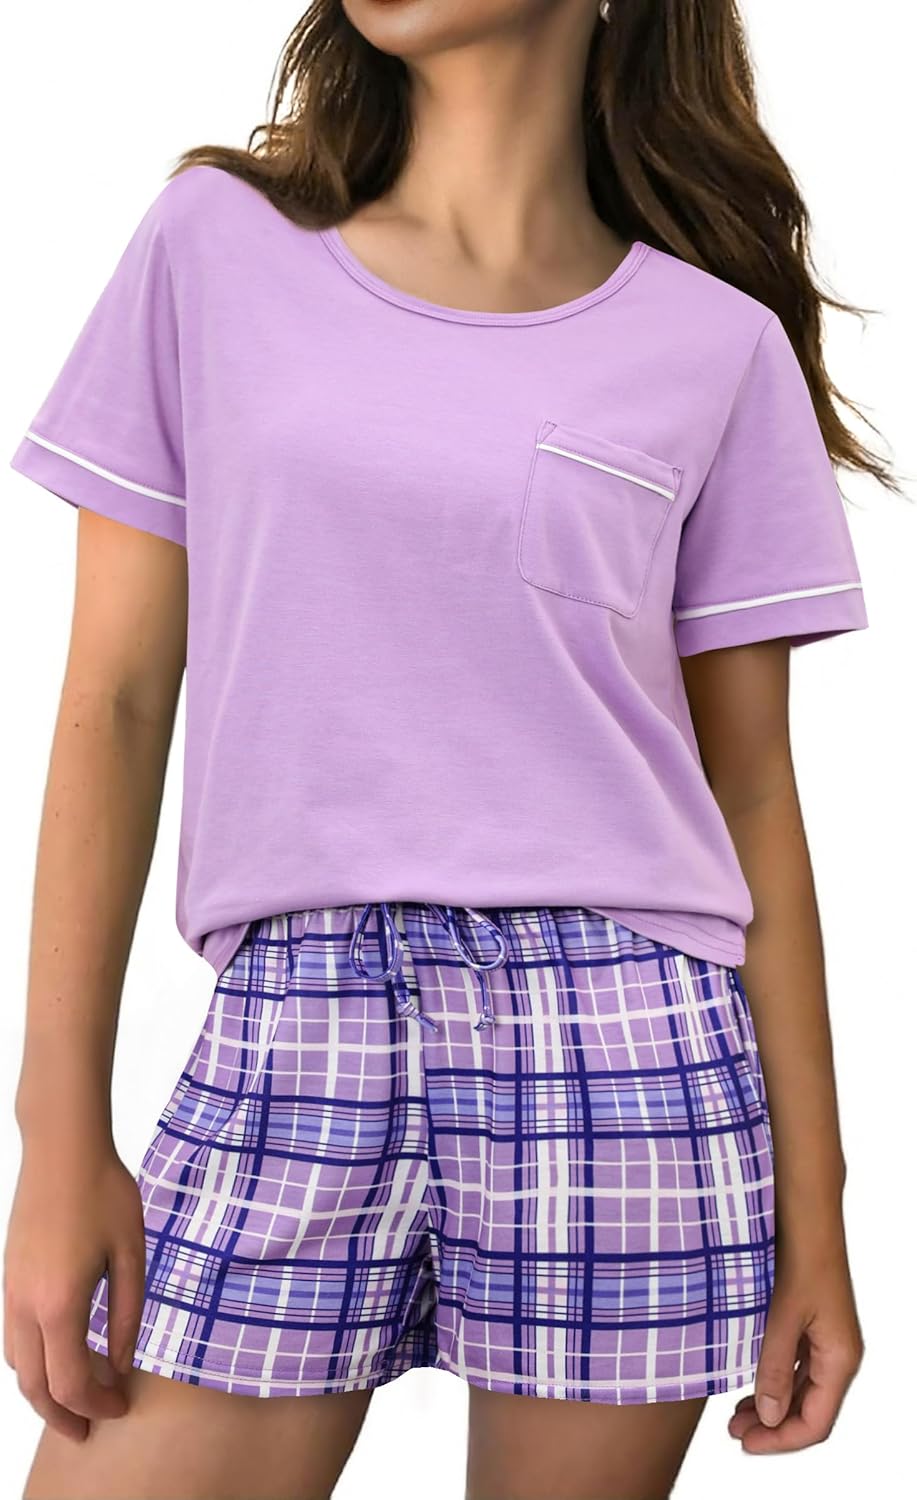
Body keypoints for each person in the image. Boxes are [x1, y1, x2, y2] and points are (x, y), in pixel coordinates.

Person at [3, 3, 895, 1498]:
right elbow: (117, 699)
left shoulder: (714, 345)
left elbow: (750, 791)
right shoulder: (211, 247)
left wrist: (820, 1215)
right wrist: (56, 1135)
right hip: (303, 1012)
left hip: (624, 1049)